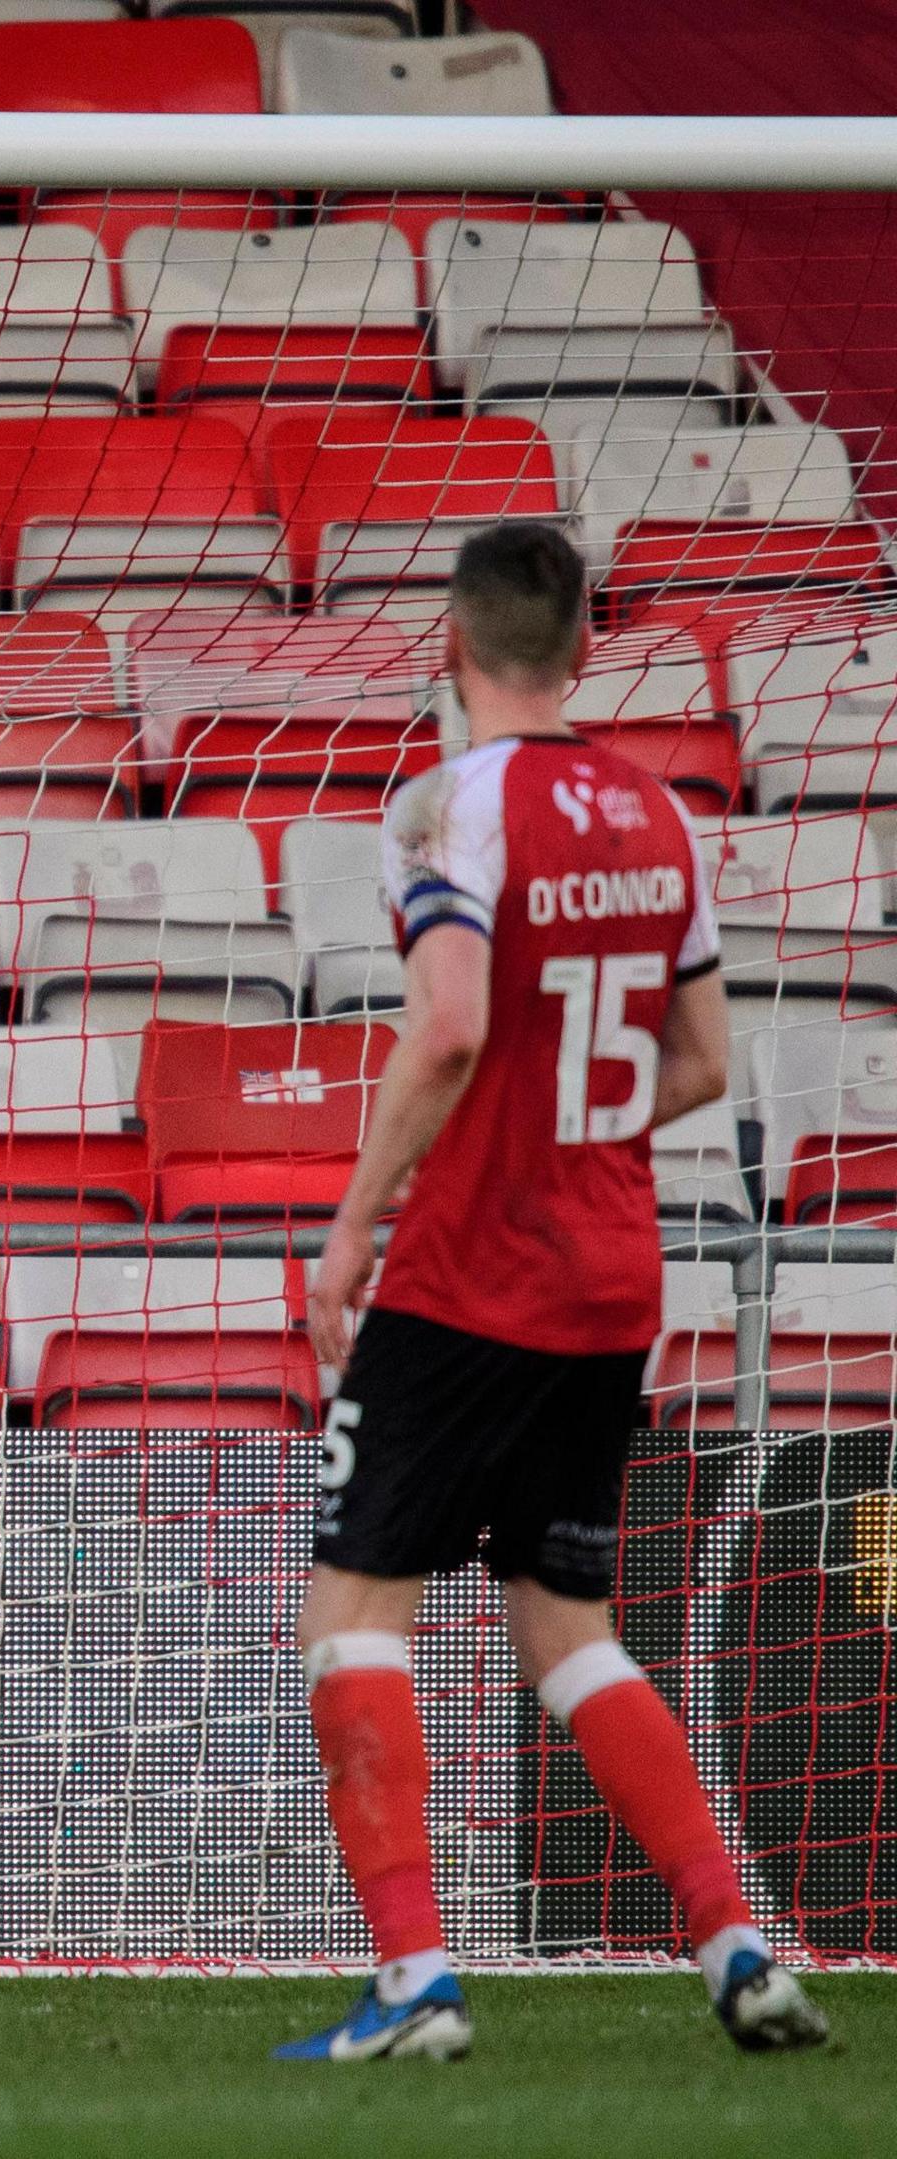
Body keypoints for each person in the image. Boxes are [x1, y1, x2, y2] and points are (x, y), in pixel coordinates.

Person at [287, 521, 827, 2062]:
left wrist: (349, 1230)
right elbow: (709, 1061)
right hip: (612, 1275)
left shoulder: (448, 804)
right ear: (585, 648)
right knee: (570, 1624)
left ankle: (413, 1983)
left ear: (445, 651)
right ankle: (738, 1942)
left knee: (351, 1613)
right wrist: (574, 1119)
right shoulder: (659, 811)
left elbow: (449, 1026)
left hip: (466, 1272)